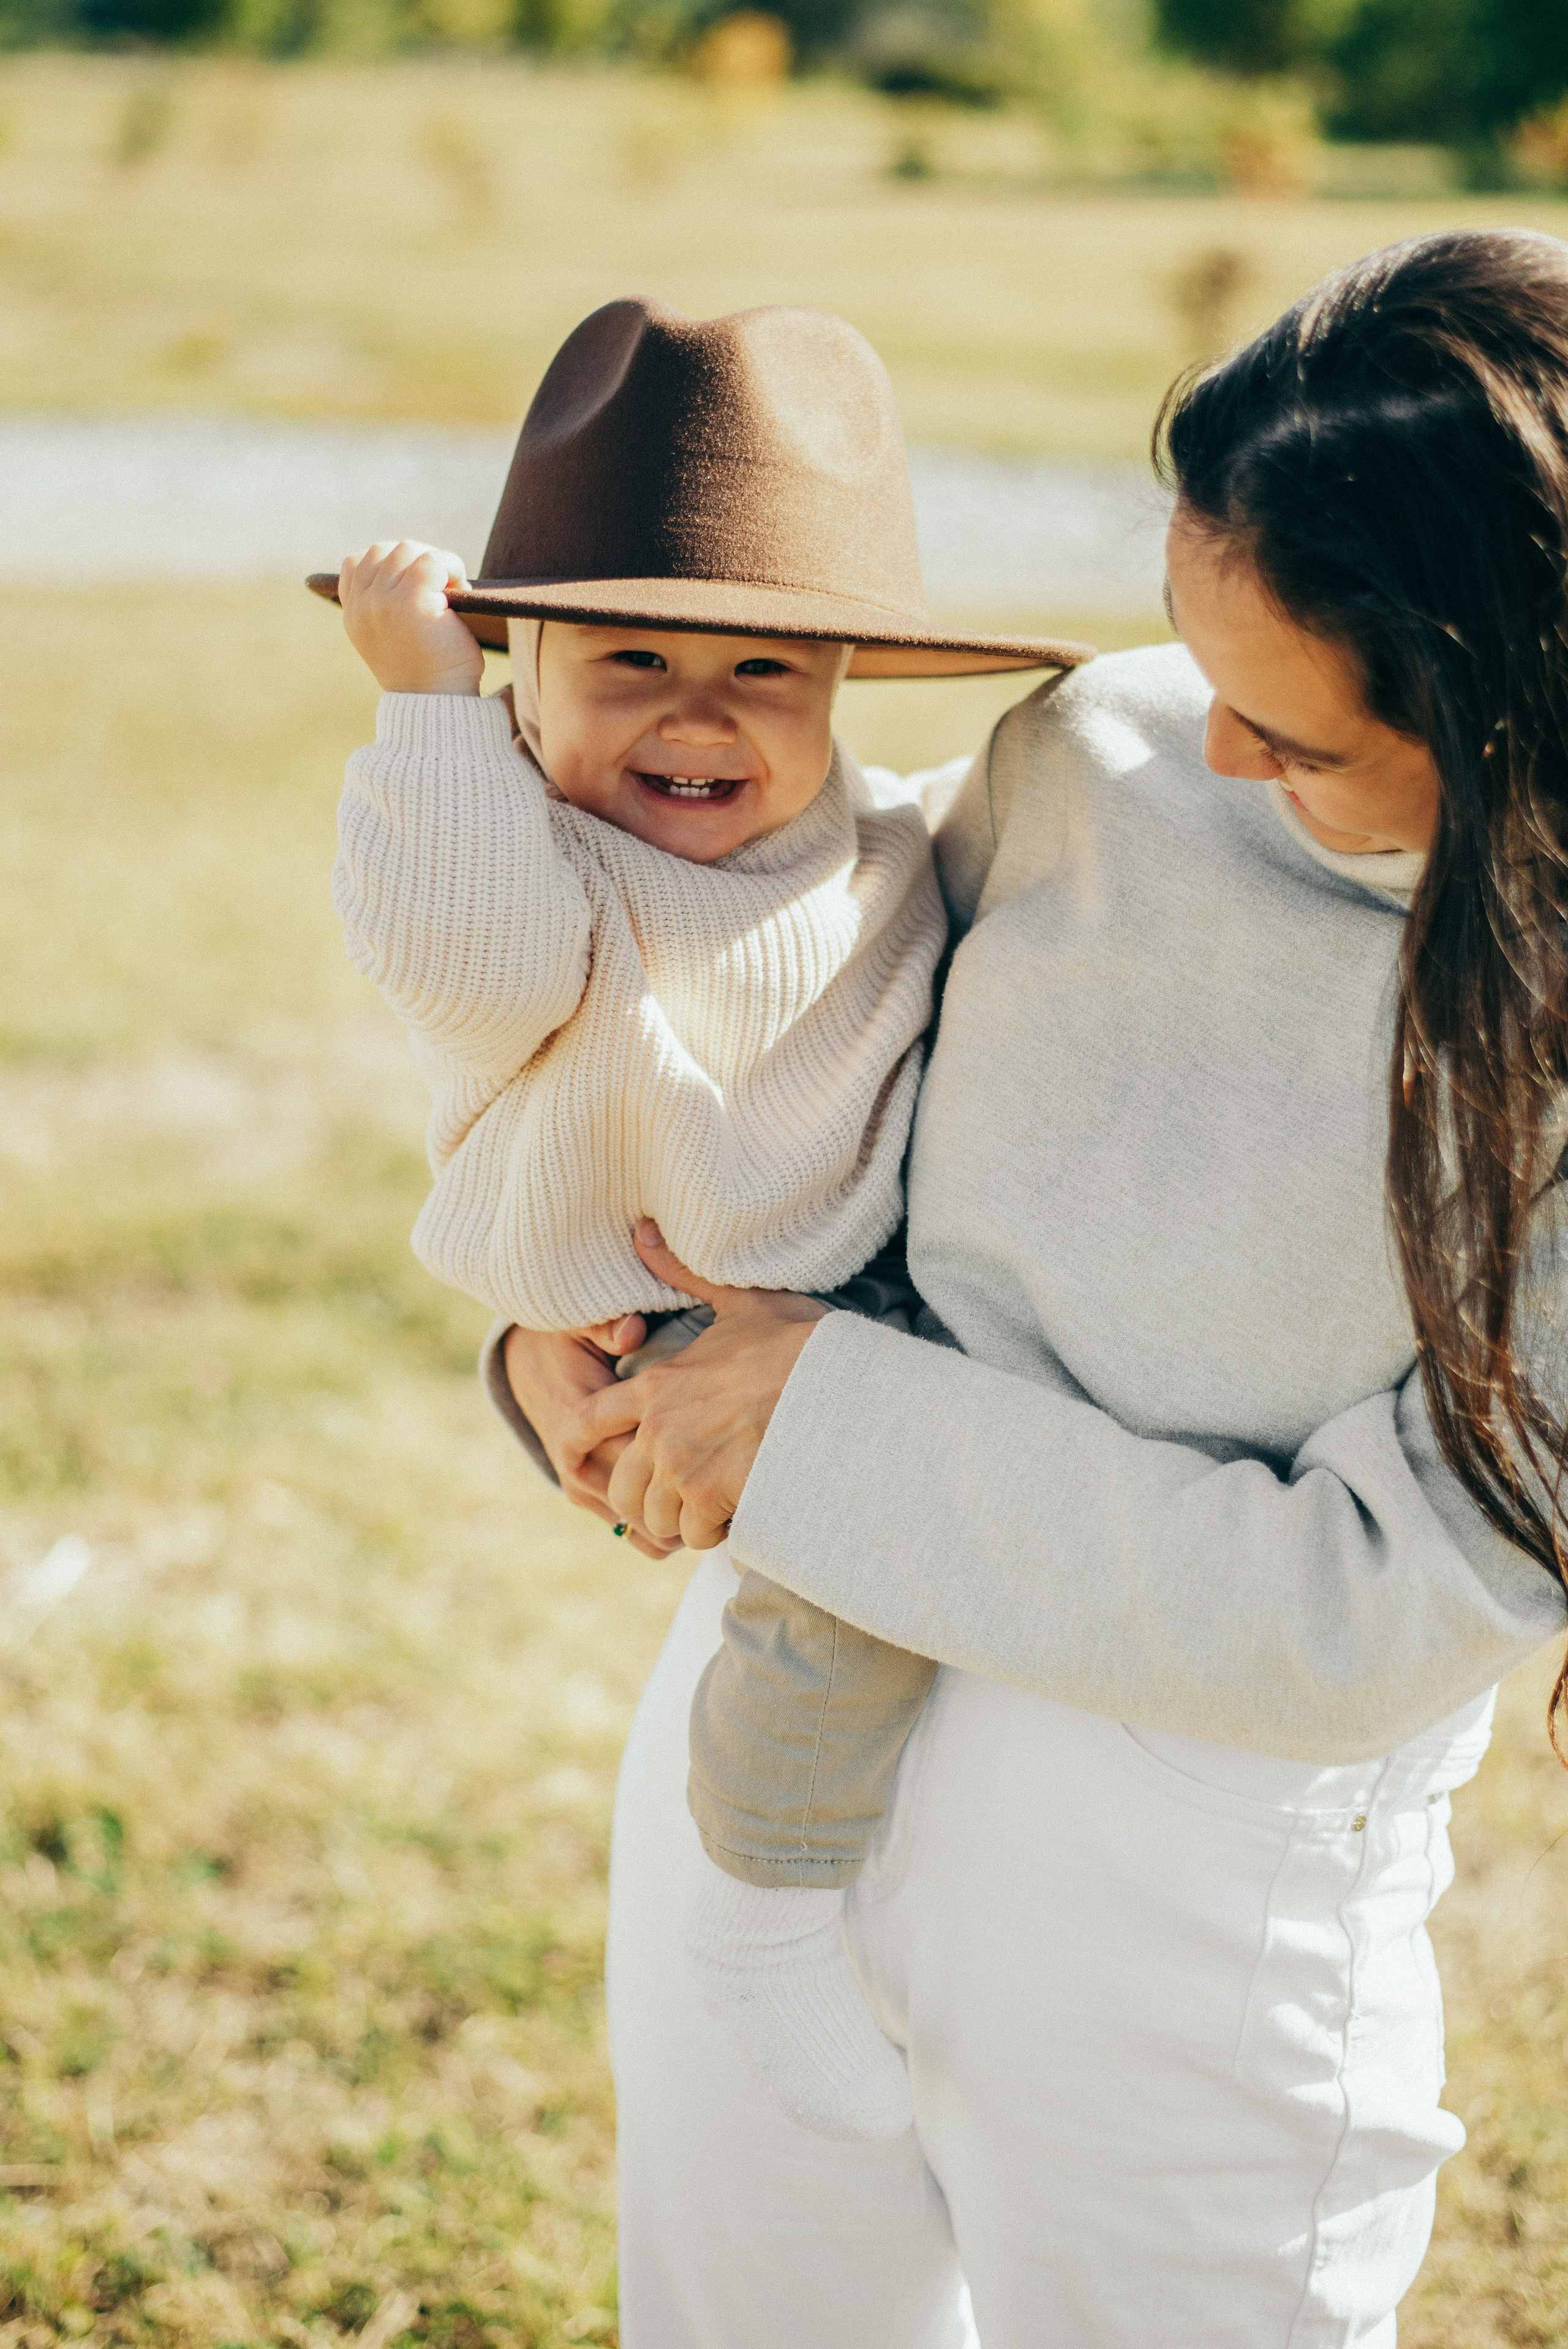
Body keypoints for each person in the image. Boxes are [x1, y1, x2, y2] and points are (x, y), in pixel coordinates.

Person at [500, 229, 1568, 2346]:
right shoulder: (1107, 751)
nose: (1214, 753)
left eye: (1303, 728)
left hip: (1181, 1881)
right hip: (772, 1730)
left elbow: (1370, 1606)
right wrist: (589, 1346)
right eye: (1195, 657)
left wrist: (818, 1425)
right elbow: (822, 1123)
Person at [314, 295, 1092, 2148]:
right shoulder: (515, 852)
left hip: (880, 1288)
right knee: (833, 1623)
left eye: (770, 674)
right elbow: (462, 965)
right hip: (656, 1318)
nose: (699, 716)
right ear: (523, 681)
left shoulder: (881, 836)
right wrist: (421, 708)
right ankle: (767, 1904)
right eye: (633, 660)